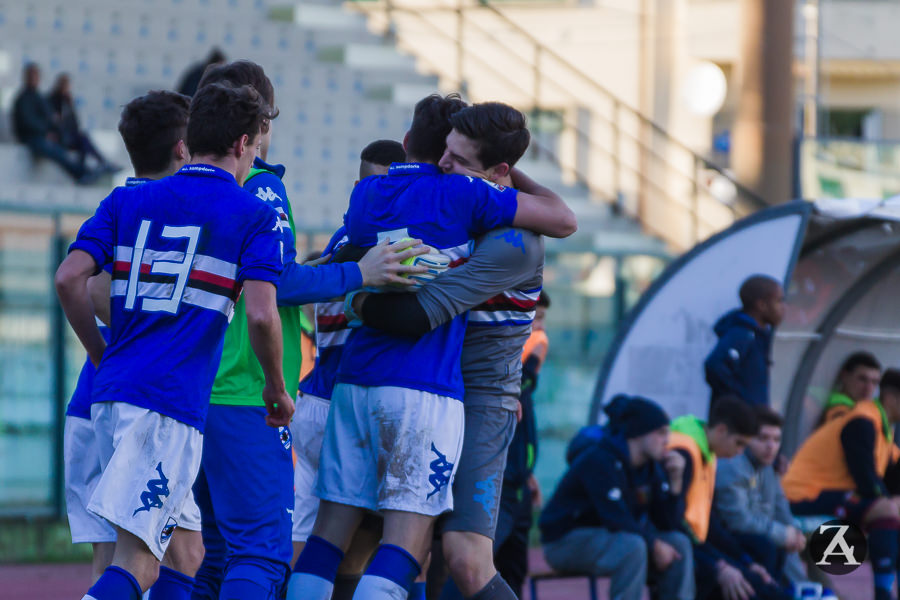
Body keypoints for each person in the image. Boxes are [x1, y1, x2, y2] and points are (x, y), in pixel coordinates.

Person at [289, 93, 575, 600]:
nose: (443, 165)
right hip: (425, 386)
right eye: (444, 151)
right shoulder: (462, 205)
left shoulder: (514, 242)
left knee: (462, 555)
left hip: (478, 399)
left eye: (459, 161)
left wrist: (352, 296)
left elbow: (413, 315)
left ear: (498, 170)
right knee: (378, 541)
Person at [186, 63, 426, 600]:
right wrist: (356, 274)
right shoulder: (264, 187)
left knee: (208, 555)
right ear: (260, 126)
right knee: (261, 554)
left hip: (189, 389)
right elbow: (277, 286)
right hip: (248, 390)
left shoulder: (175, 192)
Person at [55, 81, 289, 599]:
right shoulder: (253, 215)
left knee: (187, 553)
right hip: (166, 406)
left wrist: (102, 352)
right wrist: (275, 386)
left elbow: (69, 278)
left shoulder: (126, 199)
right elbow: (262, 316)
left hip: (112, 394)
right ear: (242, 144)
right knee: (137, 564)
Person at [63, 90, 193, 589]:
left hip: (97, 396)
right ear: (183, 146)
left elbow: (88, 286)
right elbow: (91, 288)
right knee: (169, 558)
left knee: (118, 561)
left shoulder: (116, 202)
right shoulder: (155, 209)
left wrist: (102, 356)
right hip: (140, 402)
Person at [286, 138, 407, 600]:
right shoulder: (393, 242)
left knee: (315, 543)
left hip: (313, 401)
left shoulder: (340, 238)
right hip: (352, 404)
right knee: (399, 541)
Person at [539, 396, 694, 600]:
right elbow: (615, 518)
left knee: (678, 542)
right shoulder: (599, 459)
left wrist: (675, 484)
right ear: (638, 433)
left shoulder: (651, 468)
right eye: (661, 433)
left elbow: (667, 524)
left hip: (611, 537)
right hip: (564, 542)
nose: (667, 441)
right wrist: (654, 545)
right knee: (633, 547)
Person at [783, 369, 900, 600]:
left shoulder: (884, 426)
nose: (868, 386)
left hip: (831, 495)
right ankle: (883, 594)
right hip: (803, 495)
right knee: (886, 509)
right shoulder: (863, 420)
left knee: (892, 508)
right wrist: (889, 502)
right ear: (891, 397)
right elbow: (866, 479)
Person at [668, 397, 791, 600]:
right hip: (678, 546)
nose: (740, 451)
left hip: (697, 544)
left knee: (761, 576)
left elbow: (708, 522)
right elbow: (675, 523)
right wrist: (720, 566)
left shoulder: (707, 452)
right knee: (752, 587)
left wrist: (746, 562)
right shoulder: (686, 453)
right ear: (722, 431)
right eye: (739, 443)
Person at [492, 290, 551, 598]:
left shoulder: (525, 379)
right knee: (479, 564)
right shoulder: (508, 358)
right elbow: (518, 384)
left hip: (518, 482)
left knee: (514, 568)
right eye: (535, 319)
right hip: (500, 484)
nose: (540, 330)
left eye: (542, 320)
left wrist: (527, 473)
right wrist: (533, 362)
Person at [714, 406, 807, 586]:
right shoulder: (733, 465)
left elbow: (782, 514)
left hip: (752, 536)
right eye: (763, 438)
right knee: (767, 545)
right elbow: (738, 522)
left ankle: (800, 589)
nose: (771, 446)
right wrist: (782, 534)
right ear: (747, 438)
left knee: (788, 540)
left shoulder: (768, 467)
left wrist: (794, 536)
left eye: (776, 439)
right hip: (723, 540)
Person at [705, 275, 785, 408]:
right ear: (762, 305)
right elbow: (714, 366)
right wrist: (742, 405)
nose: (784, 307)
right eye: (779, 301)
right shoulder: (741, 334)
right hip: (738, 424)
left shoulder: (761, 336)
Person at [12, 63, 93, 183]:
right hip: (32, 138)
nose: (35, 79)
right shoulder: (23, 98)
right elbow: (27, 123)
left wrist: (54, 131)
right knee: (56, 150)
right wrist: (46, 133)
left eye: (36, 76)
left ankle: (88, 171)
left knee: (79, 140)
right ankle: (80, 174)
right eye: (32, 76)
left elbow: (52, 119)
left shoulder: (38, 97)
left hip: (44, 135)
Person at [48, 73, 120, 175]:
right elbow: (53, 121)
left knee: (83, 140)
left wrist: (70, 105)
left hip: (69, 136)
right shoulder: (52, 100)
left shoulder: (67, 101)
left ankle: (94, 166)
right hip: (60, 137)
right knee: (83, 139)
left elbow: (74, 123)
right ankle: (100, 163)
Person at [818, 351, 881, 425]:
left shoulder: (866, 408)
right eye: (862, 379)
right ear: (844, 376)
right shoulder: (840, 410)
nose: (869, 388)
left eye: (874, 382)